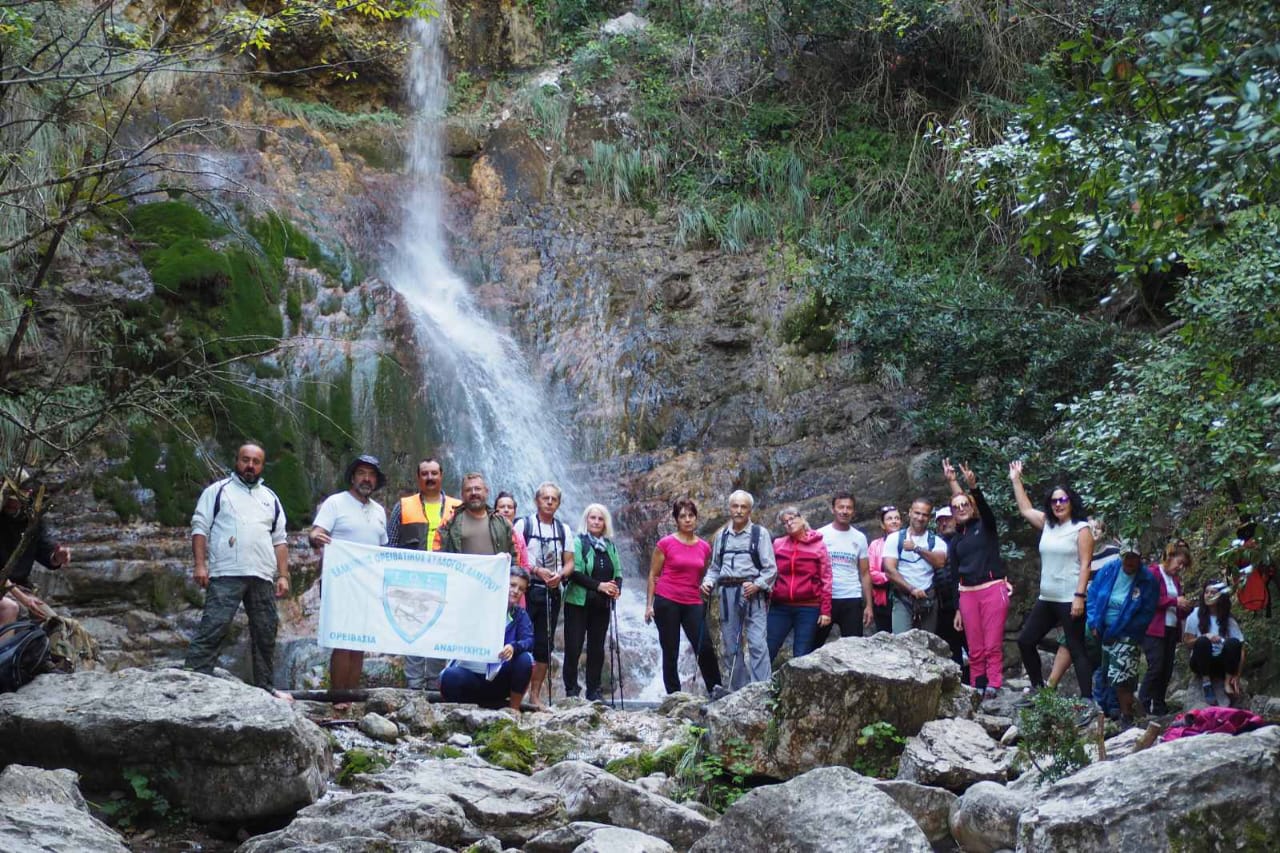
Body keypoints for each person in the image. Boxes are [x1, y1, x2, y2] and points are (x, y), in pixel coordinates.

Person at [184, 443, 290, 697]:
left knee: (265, 630)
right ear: (237, 461)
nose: (250, 466)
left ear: (262, 466)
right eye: (245, 460)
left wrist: (283, 575)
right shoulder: (217, 491)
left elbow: (280, 540)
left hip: (262, 575)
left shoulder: (270, 498)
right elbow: (200, 528)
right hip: (226, 572)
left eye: (256, 461)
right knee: (214, 625)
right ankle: (193, 679)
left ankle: (264, 686)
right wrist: (200, 564)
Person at [1009, 461, 1096, 713]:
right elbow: (1025, 509)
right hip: (1047, 597)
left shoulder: (1081, 529)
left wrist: (1080, 596)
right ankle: (1038, 689)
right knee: (1026, 641)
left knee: (1076, 647)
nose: (1058, 504)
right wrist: (1016, 479)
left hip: (1070, 598)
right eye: (1055, 501)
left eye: (1063, 500)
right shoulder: (1048, 524)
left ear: (1071, 502)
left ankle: (1087, 701)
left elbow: (1086, 564)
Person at [310, 454, 389, 692]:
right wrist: (315, 537)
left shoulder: (379, 511)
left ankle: (351, 696)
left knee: (359, 641)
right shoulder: (335, 503)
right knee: (342, 640)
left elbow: (383, 549)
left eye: (371, 475)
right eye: (362, 473)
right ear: (353, 477)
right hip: (340, 582)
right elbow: (316, 533)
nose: (367, 479)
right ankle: (337, 696)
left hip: (368, 584)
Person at [387, 457, 463, 691]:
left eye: (434, 473)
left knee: (440, 631)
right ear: (418, 478)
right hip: (412, 580)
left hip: (446, 580)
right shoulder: (403, 506)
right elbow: (392, 544)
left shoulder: (457, 507)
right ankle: (414, 685)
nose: (430, 478)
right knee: (413, 631)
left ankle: (435, 684)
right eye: (425, 474)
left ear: (441, 476)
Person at [944, 460, 1009, 699]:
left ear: (972, 507)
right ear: (953, 513)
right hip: (967, 593)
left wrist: (972, 487)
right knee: (974, 645)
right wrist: (957, 608)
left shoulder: (986, 526)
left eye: (965, 505)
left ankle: (994, 683)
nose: (961, 508)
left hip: (992, 588)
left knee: (992, 642)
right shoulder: (956, 541)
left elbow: (983, 508)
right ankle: (977, 684)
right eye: (956, 507)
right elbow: (953, 576)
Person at [701, 490, 778, 691]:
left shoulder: (759, 534)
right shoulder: (721, 536)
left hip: (752, 593)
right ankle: (739, 691)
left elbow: (770, 569)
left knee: (757, 644)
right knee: (730, 646)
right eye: (735, 506)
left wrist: (758, 585)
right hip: (726, 594)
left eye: (743, 507)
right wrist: (708, 582)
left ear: (750, 510)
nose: (739, 510)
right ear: (730, 508)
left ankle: (762, 690)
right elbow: (715, 567)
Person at [645, 499, 721, 694]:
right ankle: (674, 695)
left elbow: (701, 573)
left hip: (692, 601)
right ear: (676, 520)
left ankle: (716, 690)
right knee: (670, 649)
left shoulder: (704, 547)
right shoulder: (665, 544)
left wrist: (705, 586)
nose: (687, 520)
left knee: (704, 647)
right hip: (667, 600)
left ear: (696, 518)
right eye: (682, 516)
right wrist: (649, 605)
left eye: (691, 516)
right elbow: (654, 575)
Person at [439, 566, 534, 710]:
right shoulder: (479, 606)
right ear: (502, 583)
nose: (516, 591)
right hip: (470, 676)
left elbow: (529, 641)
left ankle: (514, 710)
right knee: (449, 677)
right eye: (512, 585)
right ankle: (459, 713)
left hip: (498, 681)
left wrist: (513, 647)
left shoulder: (520, 615)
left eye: (521, 589)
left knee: (525, 659)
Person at [1085, 542, 1159, 726]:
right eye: (1126, 557)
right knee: (1103, 670)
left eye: (1134, 557)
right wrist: (1094, 622)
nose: (1129, 561)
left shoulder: (1147, 580)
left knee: (1122, 673)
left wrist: (1124, 631)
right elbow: (1093, 595)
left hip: (1127, 632)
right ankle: (1105, 711)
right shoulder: (1110, 569)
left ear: (1139, 558)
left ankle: (1126, 715)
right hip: (1102, 628)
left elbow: (1146, 613)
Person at [513, 482, 574, 706]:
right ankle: (515, 693)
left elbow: (570, 562)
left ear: (558, 503)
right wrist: (537, 570)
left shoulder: (563, 530)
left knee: (544, 645)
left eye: (554, 499)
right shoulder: (524, 524)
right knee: (520, 640)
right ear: (537, 500)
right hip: (526, 591)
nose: (549, 502)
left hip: (551, 592)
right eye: (545, 498)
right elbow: (517, 558)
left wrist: (560, 575)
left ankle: (535, 696)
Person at [563, 504, 622, 700]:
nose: (596, 522)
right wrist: (600, 586)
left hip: (601, 605)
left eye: (600, 518)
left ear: (605, 523)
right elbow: (575, 571)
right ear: (586, 520)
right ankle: (571, 690)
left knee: (597, 649)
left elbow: (618, 573)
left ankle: (594, 691)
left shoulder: (610, 546)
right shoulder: (578, 542)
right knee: (574, 646)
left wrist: (615, 588)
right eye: (592, 518)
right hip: (578, 603)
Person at [0, 472, 71, 627]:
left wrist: (57, 556)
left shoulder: (31, 519)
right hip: (6, 590)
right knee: (15, 611)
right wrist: (23, 599)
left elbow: (44, 549)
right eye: (8, 498)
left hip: (21, 587)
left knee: (54, 625)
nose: (12, 503)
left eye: (17, 499)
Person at [768, 506, 833, 661]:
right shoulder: (778, 544)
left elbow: (826, 578)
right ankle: (761, 685)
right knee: (768, 647)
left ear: (802, 518)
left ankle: (797, 685)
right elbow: (769, 571)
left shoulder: (818, 545)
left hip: (808, 607)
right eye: (785, 522)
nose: (789, 523)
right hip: (780, 606)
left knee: (802, 652)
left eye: (792, 518)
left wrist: (825, 611)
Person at [1139, 540, 1192, 715]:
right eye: (1179, 563)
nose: (1180, 567)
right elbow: (1149, 599)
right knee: (1156, 666)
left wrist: (1184, 608)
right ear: (1170, 557)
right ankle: (1143, 704)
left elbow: (1175, 606)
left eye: (1183, 565)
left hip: (1170, 629)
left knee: (1167, 669)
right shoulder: (1153, 572)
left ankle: (1159, 705)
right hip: (1153, 629)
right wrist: (1175, 601)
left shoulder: (1175, 580)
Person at [814, 491, 873, 645]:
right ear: (833, 509)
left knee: (854, 647)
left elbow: (865, 573)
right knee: (813, 644)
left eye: (849, 508)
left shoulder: (859, 538)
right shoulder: (820, 534)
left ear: (853, 511)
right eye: (841, 507)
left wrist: (869, 605)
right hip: (826, 598)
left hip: (851, 598)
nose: (845, 511)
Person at [881, 498, 948, 634]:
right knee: (901, 641)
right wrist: (911, 589)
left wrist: (916, 548)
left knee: (928, 643)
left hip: (928, 598)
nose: (920, 517)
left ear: (929, 517)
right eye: (917, 513)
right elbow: (889, 570)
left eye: (924, 514)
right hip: (903, 598)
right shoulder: (894, 538)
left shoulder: (936, 541)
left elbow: (940, 562)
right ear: (910, 513)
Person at [1184, 581, 1246, 707]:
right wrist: (1205, 636)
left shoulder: (1228, 619)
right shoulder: (1195, 615)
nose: (1208, 595)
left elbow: (1241, 649)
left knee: (1233, 642)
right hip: (1201, 662)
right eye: (1206, 592)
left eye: (1213, 592)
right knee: (1203, 641)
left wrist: (1237, 675)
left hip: (1222, 663)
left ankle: (1227, 683)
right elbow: (1188, 642)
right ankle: (1206, 683)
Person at [931, 504, 966, 674]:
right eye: (940, 521)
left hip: (966, 601)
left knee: (972, 644)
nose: (944, 524)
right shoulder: (933, 544)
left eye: (947, 519)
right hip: (944, 606)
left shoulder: (964, 540)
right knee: (951, 648)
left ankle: (982, 683)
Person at [867, 506, 902, 634]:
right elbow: (870, 572)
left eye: (897, 518)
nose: (894, 521)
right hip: (882, 599)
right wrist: (893, 576)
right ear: (882, 524)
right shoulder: (875, 545)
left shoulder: (909, 542)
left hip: (905, 598)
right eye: (889, 519)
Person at [494, 492, 533, 573]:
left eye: (510, 507)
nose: (506, 510)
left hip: (515, 580)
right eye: (502, 507)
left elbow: (525, 565)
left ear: (514, 512)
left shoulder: (518, 536)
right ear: (495, 511)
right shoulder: (489, 532)